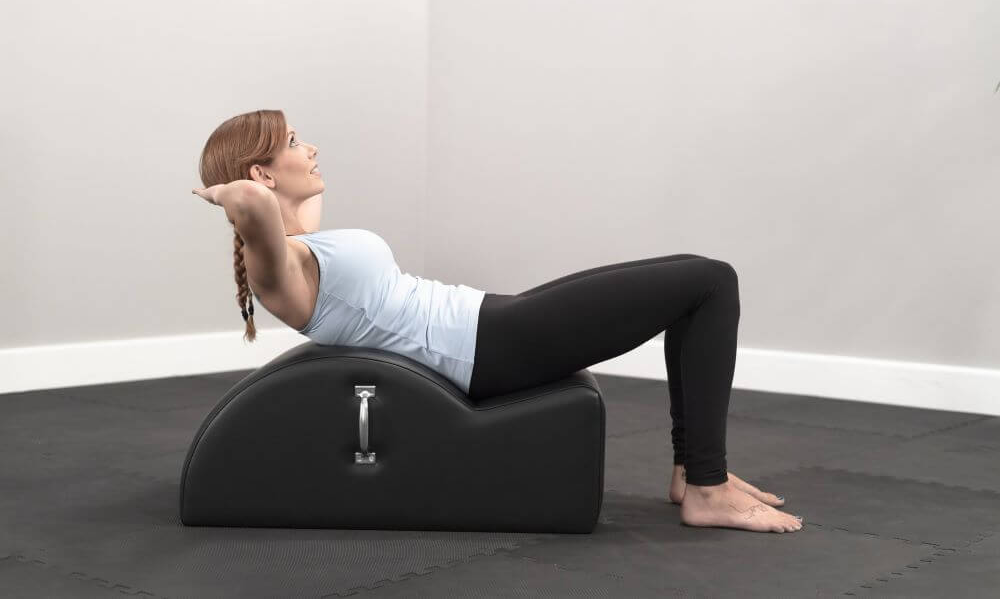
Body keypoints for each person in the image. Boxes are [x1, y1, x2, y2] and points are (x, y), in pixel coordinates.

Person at [193, 109, 804, 533]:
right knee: (711, 281)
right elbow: (249, 206)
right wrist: (224, 191)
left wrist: (272, 181)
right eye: (296, 140)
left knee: (696, 274)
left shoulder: (305, 239)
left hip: (493, 322)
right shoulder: (280, 267)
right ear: (262, 176)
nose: (312, 147)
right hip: (491, 351)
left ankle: (693, 472)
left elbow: (273, 202)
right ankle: (705, 487)